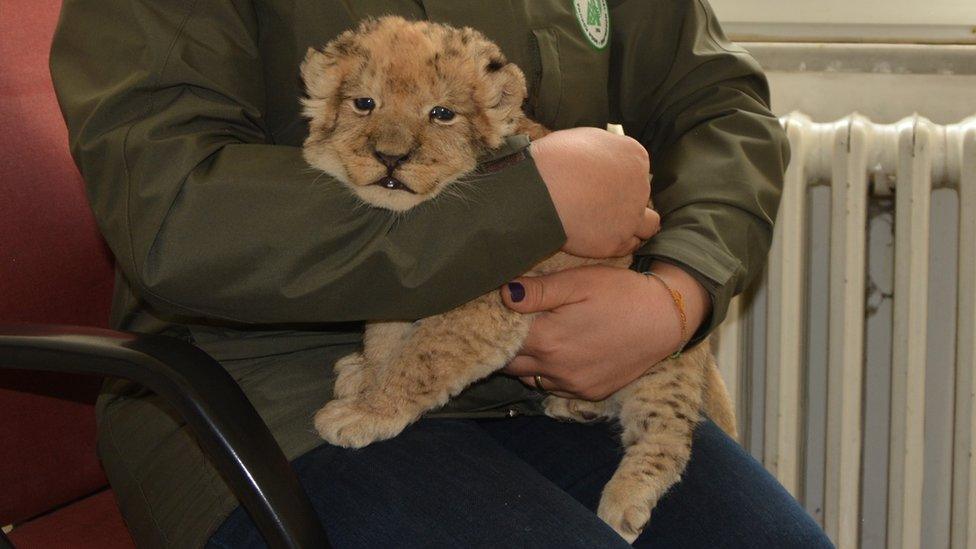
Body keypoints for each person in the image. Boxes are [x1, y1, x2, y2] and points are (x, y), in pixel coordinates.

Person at [50, 0, 831, 547]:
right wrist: (531, 204)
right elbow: (175, 209)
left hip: (549, 380)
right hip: (267, 388)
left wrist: (677, 293)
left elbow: (719, 107)